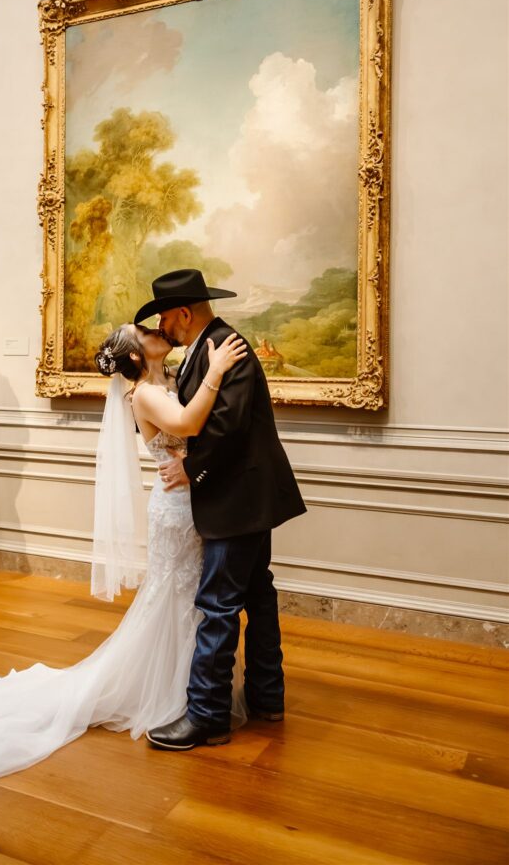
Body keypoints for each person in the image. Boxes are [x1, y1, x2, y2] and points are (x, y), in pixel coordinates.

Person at [0, 320, 247, 816]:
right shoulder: (145, 394)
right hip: (176, 511)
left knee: (184, 596)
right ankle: (182, 694)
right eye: (145, 331)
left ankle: (192, 688)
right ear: (136, 356)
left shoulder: (165, 382)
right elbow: (189, 426)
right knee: (175, 596)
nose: (158, 329)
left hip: (184, 502)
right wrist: (218, 370)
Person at [132, 268, 306, 751]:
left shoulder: (226, 349)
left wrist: (192, 469)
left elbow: (226, 427)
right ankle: (267, 697)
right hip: (247, 497)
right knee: (256, 594)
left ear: (184, 313)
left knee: (218, 605)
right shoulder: (206, 350)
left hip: (237, 498)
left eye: (165, 317)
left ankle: (207, 718)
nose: (162, 327)